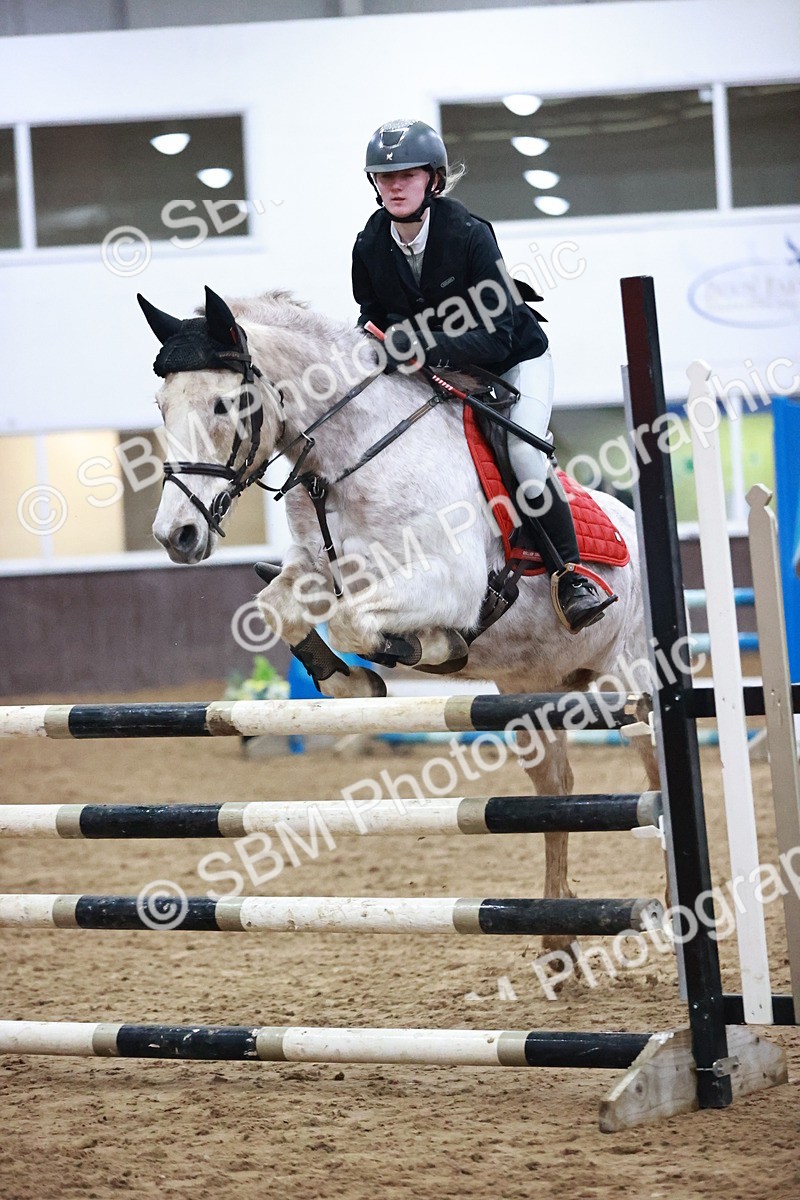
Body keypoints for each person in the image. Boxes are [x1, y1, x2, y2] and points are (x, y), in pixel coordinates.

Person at [351, 117, 609, 633]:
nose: (395, 185)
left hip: (514, 363)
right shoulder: (369, 246)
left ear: (434, 180)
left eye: (408, 174)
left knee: (524, 454)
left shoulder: (469, 235)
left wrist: (419, 346)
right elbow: (371, 317)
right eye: (385, 176)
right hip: (444, 375)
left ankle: (569, 575)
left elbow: (496, 336)